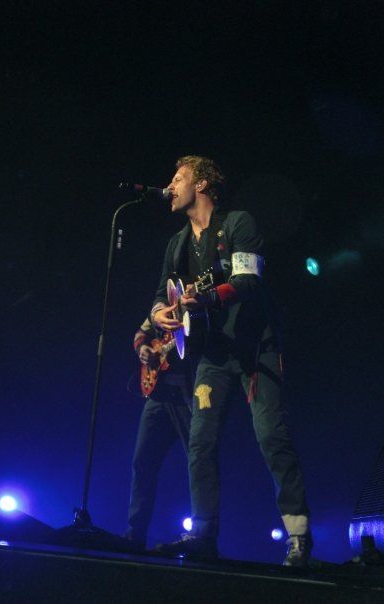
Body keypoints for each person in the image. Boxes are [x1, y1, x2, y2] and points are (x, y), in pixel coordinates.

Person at [150, 155, 312, 566]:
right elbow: (160, 293)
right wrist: (159, 313)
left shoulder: (238, 223)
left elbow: (248, 280)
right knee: (199, 442)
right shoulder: (178, 244)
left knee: (271, 436)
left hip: (256, 348)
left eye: (178, 178)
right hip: (214, 355)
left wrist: (206, 297)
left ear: (201, 184)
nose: (170, 186)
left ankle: (297, 534)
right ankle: (203, 535)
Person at [122, 317, 196, 551]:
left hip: (187, 394)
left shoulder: (196, 306)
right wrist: (142, 349)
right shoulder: (163, 303)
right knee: (142, 462)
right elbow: (141, 333)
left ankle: (201, 535)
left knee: (198, 464)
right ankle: (134, 536)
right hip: (159, 395)